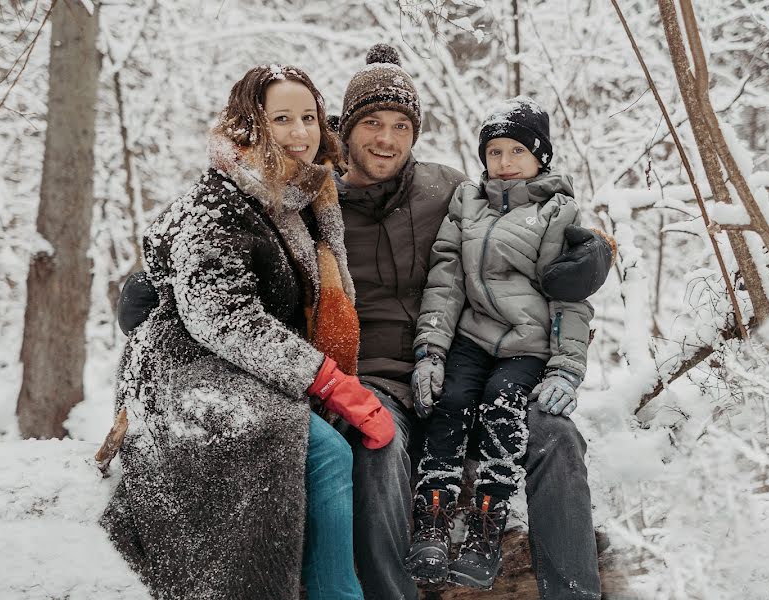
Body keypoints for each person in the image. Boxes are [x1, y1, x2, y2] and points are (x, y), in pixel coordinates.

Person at [118, 45, 613, 600]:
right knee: (377, 452)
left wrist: (592, 252)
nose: (386, 139)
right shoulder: (310, 201)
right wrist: (154, 284)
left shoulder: (446, 189)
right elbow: (229, 234)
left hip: (463, 367)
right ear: (345, 128)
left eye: (401, 125)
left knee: (557, 436)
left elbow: (523, 216)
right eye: (372, 123)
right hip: (373, 377)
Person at [101, 64, 394, 600]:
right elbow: (222, 316)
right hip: (189, 370)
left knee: (336, 449)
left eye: (309, 117)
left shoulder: (305, 198)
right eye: (282, 118)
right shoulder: (217, 202)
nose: (301, 132)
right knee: (326, 453)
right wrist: (328, 381)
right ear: (249, 123)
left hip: (249, 369)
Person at [405, 96, 617, 590]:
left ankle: (485, 525)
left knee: (502, 406)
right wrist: (431, 350)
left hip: (527, 345)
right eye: (494, 152)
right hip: (472, 338)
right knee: (450, 401)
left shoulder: (556, 212)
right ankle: (433, 521)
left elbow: (570, 298)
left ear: (540, 157)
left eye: (516, 152)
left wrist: (566, 367)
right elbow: (446, 280)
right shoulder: (467, 202)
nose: (503, 163)